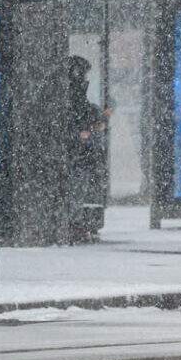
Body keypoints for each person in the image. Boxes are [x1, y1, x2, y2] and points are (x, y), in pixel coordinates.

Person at [63, 56, 108, 243]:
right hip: (78, 153)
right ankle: (75, 225)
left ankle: (77, 224)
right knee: (76, 189)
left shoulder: (75, 94)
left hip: (81, 153)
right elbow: (76, 114)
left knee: (78, 189)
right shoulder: (74, 93)